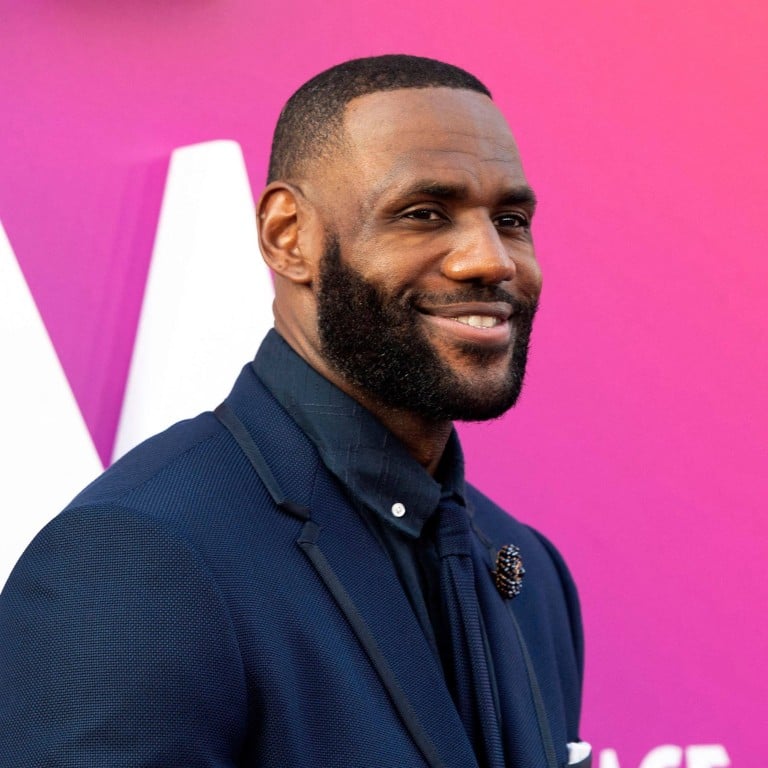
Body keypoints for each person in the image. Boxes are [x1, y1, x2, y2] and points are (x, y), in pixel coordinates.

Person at [0, 55, 589, 767]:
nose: (489, 260)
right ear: (288, 236)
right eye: (424, 213)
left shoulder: (529, 569)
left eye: (511, 218)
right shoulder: (139, 557)